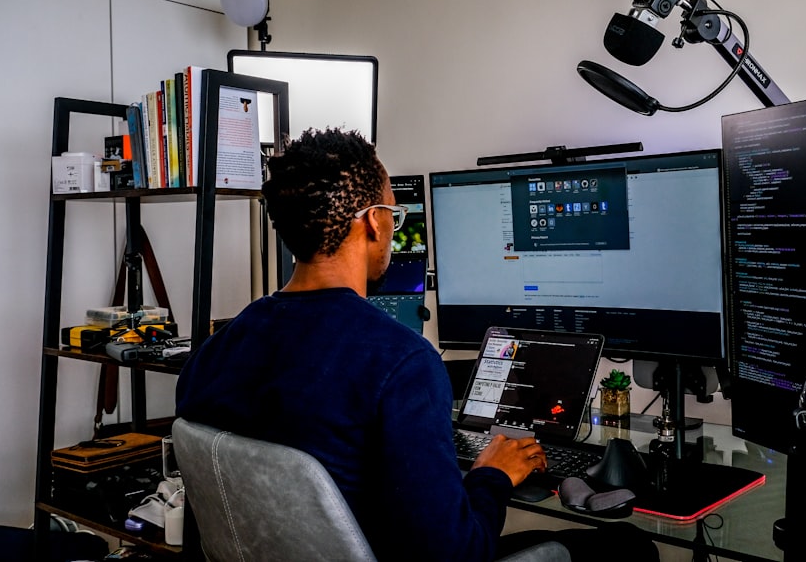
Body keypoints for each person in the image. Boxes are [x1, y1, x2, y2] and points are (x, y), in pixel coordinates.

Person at [176, 128, 658, 562]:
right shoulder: (401, 362)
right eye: (392, 212)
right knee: (628, 548)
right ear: (372, 223)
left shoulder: (214, 353)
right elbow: (455, 555)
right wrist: (493, 475)